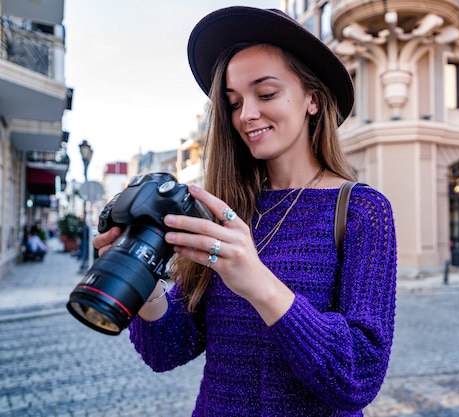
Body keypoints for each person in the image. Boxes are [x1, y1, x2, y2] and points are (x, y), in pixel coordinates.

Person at [94, 6, 397, 416]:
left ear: (312, 99)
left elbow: (358, 375)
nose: (247, 115)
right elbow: (168, 349)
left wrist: (257, 282)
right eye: (234, 102)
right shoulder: (227, 208)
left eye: (266, 93)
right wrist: (141, 276)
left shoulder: (363, 210)